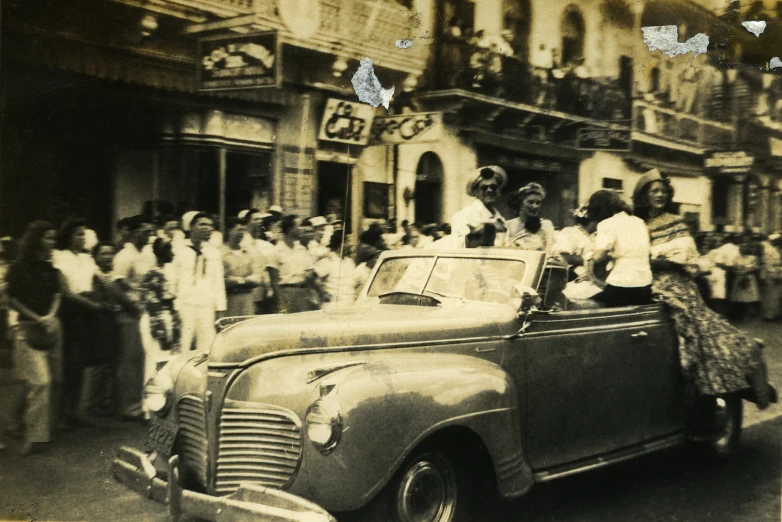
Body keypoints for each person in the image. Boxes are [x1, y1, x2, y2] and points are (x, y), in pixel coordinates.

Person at [632, 169, 770, 405]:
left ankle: (748, 353)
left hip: (675, 283)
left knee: (701, 331)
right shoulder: (636, 224)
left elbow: (686, 258)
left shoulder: (676, 222)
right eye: (654, 191)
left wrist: (649, 259)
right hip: (646, 281)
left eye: (663, 191)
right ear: (644, 196)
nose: (660, 195)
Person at [6, 221, 63, 455]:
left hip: (49, 326)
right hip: (27, 328)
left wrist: (51, 315)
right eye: (48, 238)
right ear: (37, 240)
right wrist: (37, 318)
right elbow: (12, 299)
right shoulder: (18, 269)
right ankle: (34, 437)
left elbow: (57, 295)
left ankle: (20, 424)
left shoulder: (50, 269)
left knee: (46, 381)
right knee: (40, 381)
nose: (52, 243)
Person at [53, 217, 103, 428]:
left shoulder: (87, 258)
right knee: (68, 363)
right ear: (68, 236)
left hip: (88, 311)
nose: (82, 237)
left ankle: (75, 411)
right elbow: (64, 291)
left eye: (84, 233)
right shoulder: (59, 257)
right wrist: (89, 304)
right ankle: (61, 414)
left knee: (82, 363)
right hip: (70, 311)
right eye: (77, 234)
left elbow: (99, 280)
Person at [113, 216, 155, 422]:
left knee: (144, 358)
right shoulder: (123, 256)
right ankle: (128, 407)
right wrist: (134, 309)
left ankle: (143, 403)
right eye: (144, 232)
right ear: (132, 232)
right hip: (129, 313)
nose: (148, 236)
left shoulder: (148, 255)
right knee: (130, 360)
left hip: (147, 310)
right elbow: (117, 288)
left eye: (150, 232)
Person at [587, 190, 653, 306]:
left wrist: (590, 257)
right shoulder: (639, 222)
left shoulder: (607, 223)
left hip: (623, 287)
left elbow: (599, 256)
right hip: (645, 286)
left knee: (587, 303)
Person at [173, 212, 226, 352]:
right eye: (202, 224)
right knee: (183, 344)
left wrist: (220, 309)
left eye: (210, 225)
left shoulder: (213, 252)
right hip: (185, 305)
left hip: (206, 305)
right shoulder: (179, 251)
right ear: (191, 227)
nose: (207, 228)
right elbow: (173, 281)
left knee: (207, 346)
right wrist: (175, 307)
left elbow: (218, 283)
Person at [139, 238, 181, 396]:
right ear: (160, 253)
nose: (173, 253)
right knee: (154, 362)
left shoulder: (166, 271)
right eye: (168, 249)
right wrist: (161, 330)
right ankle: (149, 407)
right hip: (156, 320)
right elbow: (152, 304)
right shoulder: (152, 274)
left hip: (166, 317)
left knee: (166, 361)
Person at [270, 215, 323, 313]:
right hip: (287, 293)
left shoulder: (301, 249)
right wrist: (281, 303)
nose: (301, 229)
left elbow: (310, 274)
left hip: (304, 292)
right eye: (298, 226)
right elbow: (274, 282)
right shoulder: (276, 251)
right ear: (290, 229)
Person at [450, 166, 508, 248]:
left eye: (493, 187)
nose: (489, 190)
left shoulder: (501, 220)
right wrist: (489, 228)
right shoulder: (463, 216)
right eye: (484, 188)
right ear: (475, 192)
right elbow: (459, 247)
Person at [553, 205, 601, 301]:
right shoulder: (571, 232)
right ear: (594, 220)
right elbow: (562, 256)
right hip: (572, 274)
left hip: (592, 276)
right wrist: (585, 260)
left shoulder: (596, 236)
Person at [221, 218, 263, 317]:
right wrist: (246, 280)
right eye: (238, 230)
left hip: (247, 297)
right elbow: (223, 280)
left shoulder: (249, 253)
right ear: (229, 231)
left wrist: (239, 280)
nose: (241, 233)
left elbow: (257, 277)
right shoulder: (221, 253)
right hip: (229, 298)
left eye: (243, 230)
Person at [506, 183, 556, 253]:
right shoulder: (508, 225)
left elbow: (548, 251)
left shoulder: (546, 225)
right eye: (530, 202)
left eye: (538, 203)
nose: (535, 206)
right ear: (520, 204)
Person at [315, 230, 357, 309]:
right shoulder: (327, 261)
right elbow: (312, 277)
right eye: (347, 242)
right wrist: (322, 293)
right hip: (332, 306)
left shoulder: (349, 262)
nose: (350, 245)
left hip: (350, 304)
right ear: (340, 244)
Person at [759, 235, 782, 321]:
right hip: (772, 275)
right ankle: (769, 315)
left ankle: (777, 313)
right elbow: (768, 264)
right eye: (778, 240)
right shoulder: (769, 251)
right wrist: (775, 275)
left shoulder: (778, 250)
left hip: (779, 274)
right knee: (771, 295)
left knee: (778, 295)